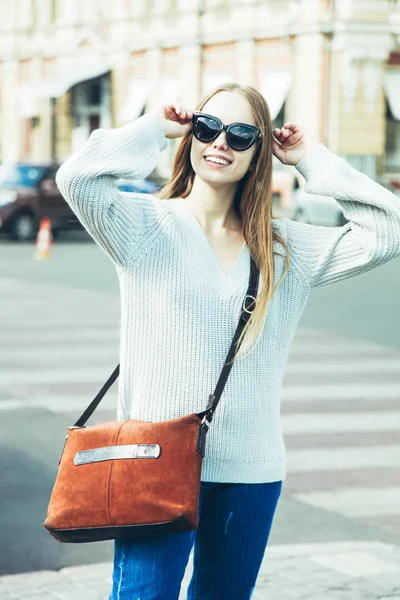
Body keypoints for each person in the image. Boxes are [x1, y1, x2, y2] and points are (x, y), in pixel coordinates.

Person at [56, 82, 400, 600]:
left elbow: (389, 230)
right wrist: (153, 127)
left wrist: (310, 159)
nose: (221, 143)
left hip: (249, 467)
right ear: (192, 134)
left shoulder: (286, 248)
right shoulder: (144, 226)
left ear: (260, 151)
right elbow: (77, 177)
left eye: (241, 134)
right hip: (153, 462)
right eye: (208, 127)